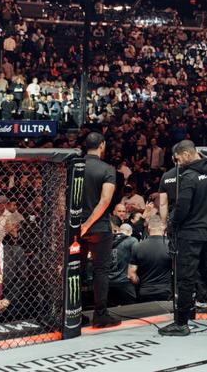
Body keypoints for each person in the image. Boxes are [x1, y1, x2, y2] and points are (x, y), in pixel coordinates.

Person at [158, 140, 207, 336]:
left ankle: (181, 323)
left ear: (186, 155)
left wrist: (172, 224)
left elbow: (182, 208)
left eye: (178, 159)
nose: (177, 164)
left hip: (190, 232)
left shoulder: (188, 176)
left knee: (186, 278)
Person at [80, 132, 120, 328]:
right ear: (102, 145)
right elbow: (105, 201)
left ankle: (73, 313)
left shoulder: (75, 166)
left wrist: (78, 224)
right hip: (98, 227)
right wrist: (88, 224)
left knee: (74, 270)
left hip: (75, 226)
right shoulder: (107, 169)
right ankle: (100, 314)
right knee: (101, 270)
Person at [128, 215, 172, 302]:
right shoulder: (170, 246)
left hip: (145, 292)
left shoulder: (137, 246)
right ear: (163, 228)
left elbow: (131, 275)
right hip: (166, 292)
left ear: (148, 228)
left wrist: (141, 284)